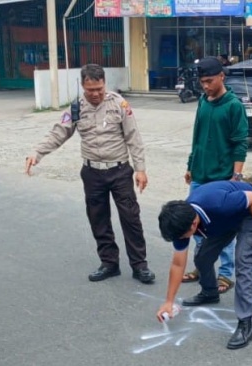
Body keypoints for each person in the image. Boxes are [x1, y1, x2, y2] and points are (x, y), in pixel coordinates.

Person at [25, 63, 155, 284]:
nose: (95, 94)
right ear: (83, 86)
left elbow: (133, 137)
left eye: (99, 89)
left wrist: (140, 169)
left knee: (130, 218)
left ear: (104, 84)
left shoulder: (119, 104)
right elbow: (59, 133)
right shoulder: (76, 108)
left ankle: (139, 265)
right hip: (92, 172)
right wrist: (37, 153)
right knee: (98, 218)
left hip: (120, 170)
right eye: (90, 90)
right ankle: (109, 263)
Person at [156, 180, 252, 350]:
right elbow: (177, 264)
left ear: (193, 225)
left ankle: (245, 322)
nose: (182, 240)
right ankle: (210, 293)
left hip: (250, 212)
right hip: (223, 221)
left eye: (183, 236)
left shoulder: (217, 205)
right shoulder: (181, 222)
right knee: (202, 257)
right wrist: (168, 301)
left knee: (243, 262)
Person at [181, 56, 249, 295]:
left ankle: (225, 273)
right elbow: (197, 136)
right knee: (196, 226)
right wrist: (191, 165)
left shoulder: (233, 105)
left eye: (210, 81)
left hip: (222, 178)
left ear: (222, 76)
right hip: (200, 174)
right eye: (202, 82)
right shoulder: (203, 101)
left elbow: (240, 143)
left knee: (222, 227)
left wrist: (236, 177)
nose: (206, 86)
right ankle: (203, 266)